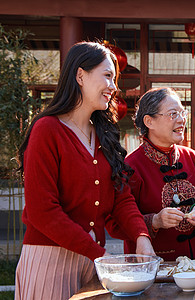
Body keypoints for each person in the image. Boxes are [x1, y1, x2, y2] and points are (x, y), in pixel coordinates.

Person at [14, 42, 154, 300]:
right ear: (80, 75)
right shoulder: (47, 130)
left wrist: (141, 235)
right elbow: (42, 211)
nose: (114, 87)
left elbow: (121, 197)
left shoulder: (104, 134)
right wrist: (99, 254)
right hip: (50, 261)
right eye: (108, 76)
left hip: (92, 262)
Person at [107, 87, 195, 261]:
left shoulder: (192, 157)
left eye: (183, 113)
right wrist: (156, 221)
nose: (182, 120)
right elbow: (115, 224)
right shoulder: (131, 166)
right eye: (173, 114)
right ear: (149, 121)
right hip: (153, 266)